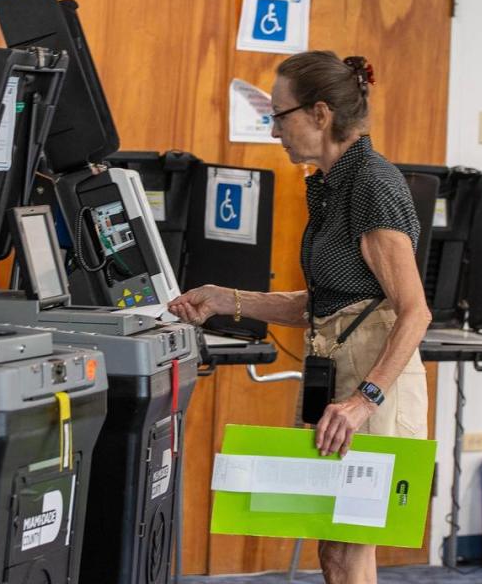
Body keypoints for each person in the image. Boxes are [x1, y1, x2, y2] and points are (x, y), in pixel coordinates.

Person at [168, 51, 431, 584]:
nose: (273, 131)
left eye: (278, 117)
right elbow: (327, 301)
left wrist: (364, 402)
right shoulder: (332, 187)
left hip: (372, 383)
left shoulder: (372, 185)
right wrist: (224, 298)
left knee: (346, 548)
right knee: (337, 549)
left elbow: (414, 311)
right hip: (339, 370)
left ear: (319, 114)